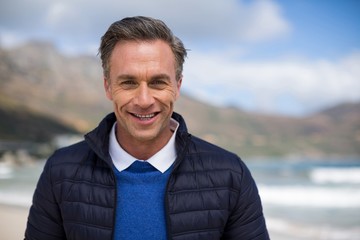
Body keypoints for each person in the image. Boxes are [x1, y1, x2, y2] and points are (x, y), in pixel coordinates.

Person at [25, 16, 269, 240]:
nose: (144, 100)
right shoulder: (60, 171)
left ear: (178, 86)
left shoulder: (230, 174)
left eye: (158, 82)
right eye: (129, 82)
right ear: (108, 87)